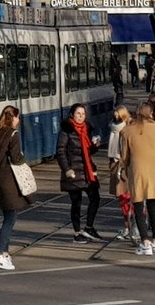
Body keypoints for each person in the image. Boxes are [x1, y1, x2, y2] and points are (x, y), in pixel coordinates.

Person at [0, 105, 30, 270]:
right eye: (18, 117)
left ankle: (5, 253)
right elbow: (16, 158)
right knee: (10, 218)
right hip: (9, 180)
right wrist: (22, 157)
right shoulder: (12, 135)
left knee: (9, 214)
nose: (19, 120)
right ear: (13, 118)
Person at [120, 102, 155, 256]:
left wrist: (125, 168)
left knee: (139, 209)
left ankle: (145, 242)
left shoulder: (127, 130)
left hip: (137, 172)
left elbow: (124, 155)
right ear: (150, 113)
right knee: (153, 207)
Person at [56, 103, 104, 243]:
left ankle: (89, 227)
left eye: (83, 114)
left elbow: (88, 151)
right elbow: (60, 151)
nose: (81, 117)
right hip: (73, 172)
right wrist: (67, 169)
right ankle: (77, 233)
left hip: (87, 171)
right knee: (76, 202)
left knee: (95, 198)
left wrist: (95, 146)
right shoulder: (66, 130)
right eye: (78, 114)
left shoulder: (87, 129)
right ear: (72, 114)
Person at [107, 106, 135, 241]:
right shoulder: (113, 127)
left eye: (118, 113)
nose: (115, 115)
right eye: (114, 113)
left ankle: (133, 226)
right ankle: (127, 226)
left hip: (124, 165)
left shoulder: (128, 129)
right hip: (114, 164)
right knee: (122, 197)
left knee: (128, 196)